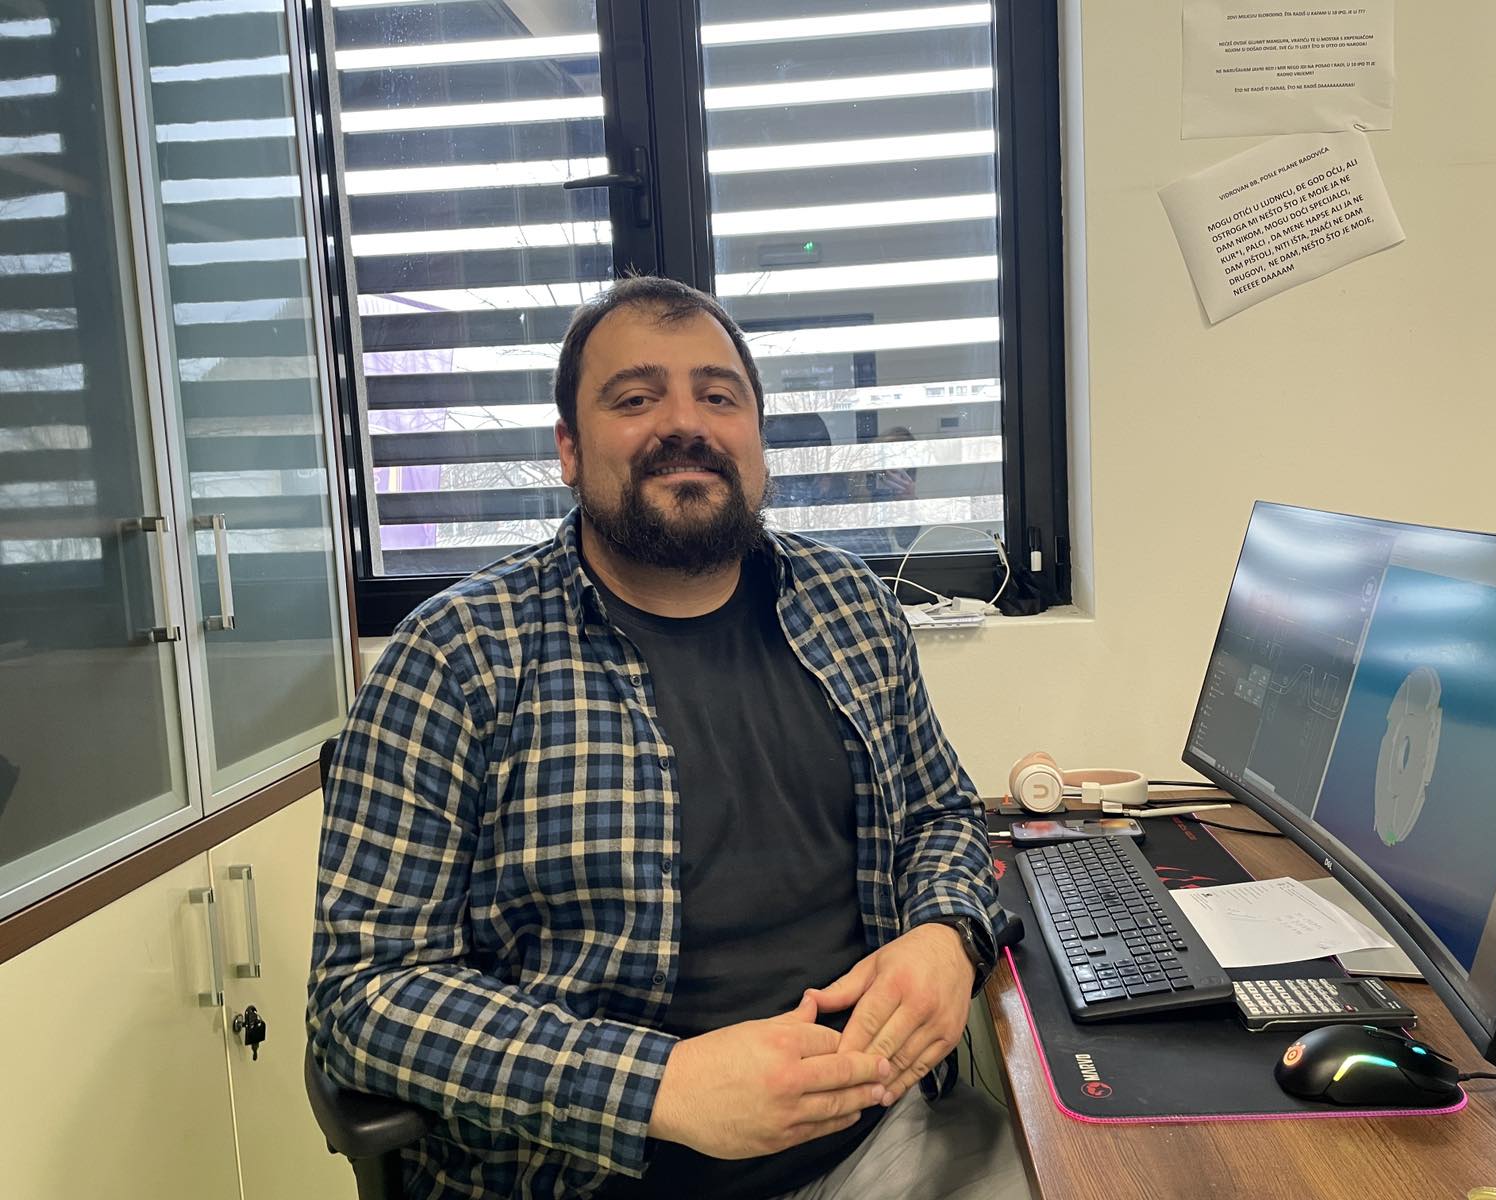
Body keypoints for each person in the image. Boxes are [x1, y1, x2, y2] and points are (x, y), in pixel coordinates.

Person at [308, 276, 1028, 1200]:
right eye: (635, 398)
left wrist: (947, 933)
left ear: (757, 438)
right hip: (578, 1177)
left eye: (718, 397)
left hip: (878, 1143)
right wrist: (657, 1086)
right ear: (568, 448)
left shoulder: (852, 608)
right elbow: (364, 993)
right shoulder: (455, 659)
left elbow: (941, 815)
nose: (685, 424)